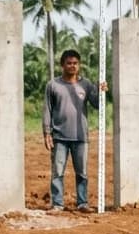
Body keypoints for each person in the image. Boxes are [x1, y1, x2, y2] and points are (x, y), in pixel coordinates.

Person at [42, 49, 105, 212]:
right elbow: (47, 110)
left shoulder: (86, 84)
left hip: (80, 136)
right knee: (57, 171)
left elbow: (97, 105)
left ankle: (82, 203)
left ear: (79, 65)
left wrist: (101, 92)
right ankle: (57, 204)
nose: (72, 66)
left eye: (75, 63)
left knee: (82, 172)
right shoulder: (53, 85)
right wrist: (47, 133)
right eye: (69, 63)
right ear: (62, 65)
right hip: (59, 136)